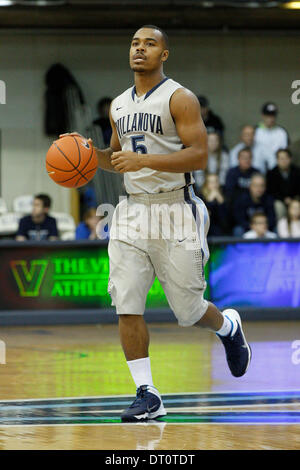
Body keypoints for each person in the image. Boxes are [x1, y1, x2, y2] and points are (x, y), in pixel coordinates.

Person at [60, 25, 251, 423]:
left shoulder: (180, 98)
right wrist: (82, 152)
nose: (140, 49)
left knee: (189, 311)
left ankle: (228, 327)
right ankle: (147, 393)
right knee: (126, 303)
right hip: (131, 211)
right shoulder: (117, 105)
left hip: (177, 208)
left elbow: (198, 155)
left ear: (164, 54)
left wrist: (145, 161)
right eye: (134, 43)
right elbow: (116, 158)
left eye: (150, 44)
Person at [266, 148, 300, 220]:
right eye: (281, 158)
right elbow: (271, 191)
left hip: (295, 198)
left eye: (286, 158)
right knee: (278, 206)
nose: (284, 161)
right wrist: (284, 199)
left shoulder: (297, 171)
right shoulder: (271, 173)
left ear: (290, 159)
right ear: (277, 160)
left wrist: (294, 199)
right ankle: (281, 227)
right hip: (280, 200)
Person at [254, 102, 289, 171]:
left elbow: (286, 152)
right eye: (268, 115)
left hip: (276, 171)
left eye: (272, 115)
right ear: (263, 115)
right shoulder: (255, 131)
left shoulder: (282, 132)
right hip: (256, 170)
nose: (270, 118)